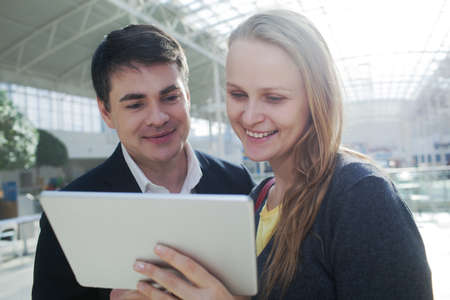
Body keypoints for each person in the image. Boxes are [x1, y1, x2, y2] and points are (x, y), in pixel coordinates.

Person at [123, 10, 433, 300]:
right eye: (238, 95)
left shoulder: (359, 195)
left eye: (274, 98)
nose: (250, 116)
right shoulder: (258, 200)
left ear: (316, 99)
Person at [32, 24, 254, 300]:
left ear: (187, 97)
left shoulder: (238, 184)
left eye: (170, 97)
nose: (158, 117)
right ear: (106, 112)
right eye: (136, 104)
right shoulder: (68, 213)